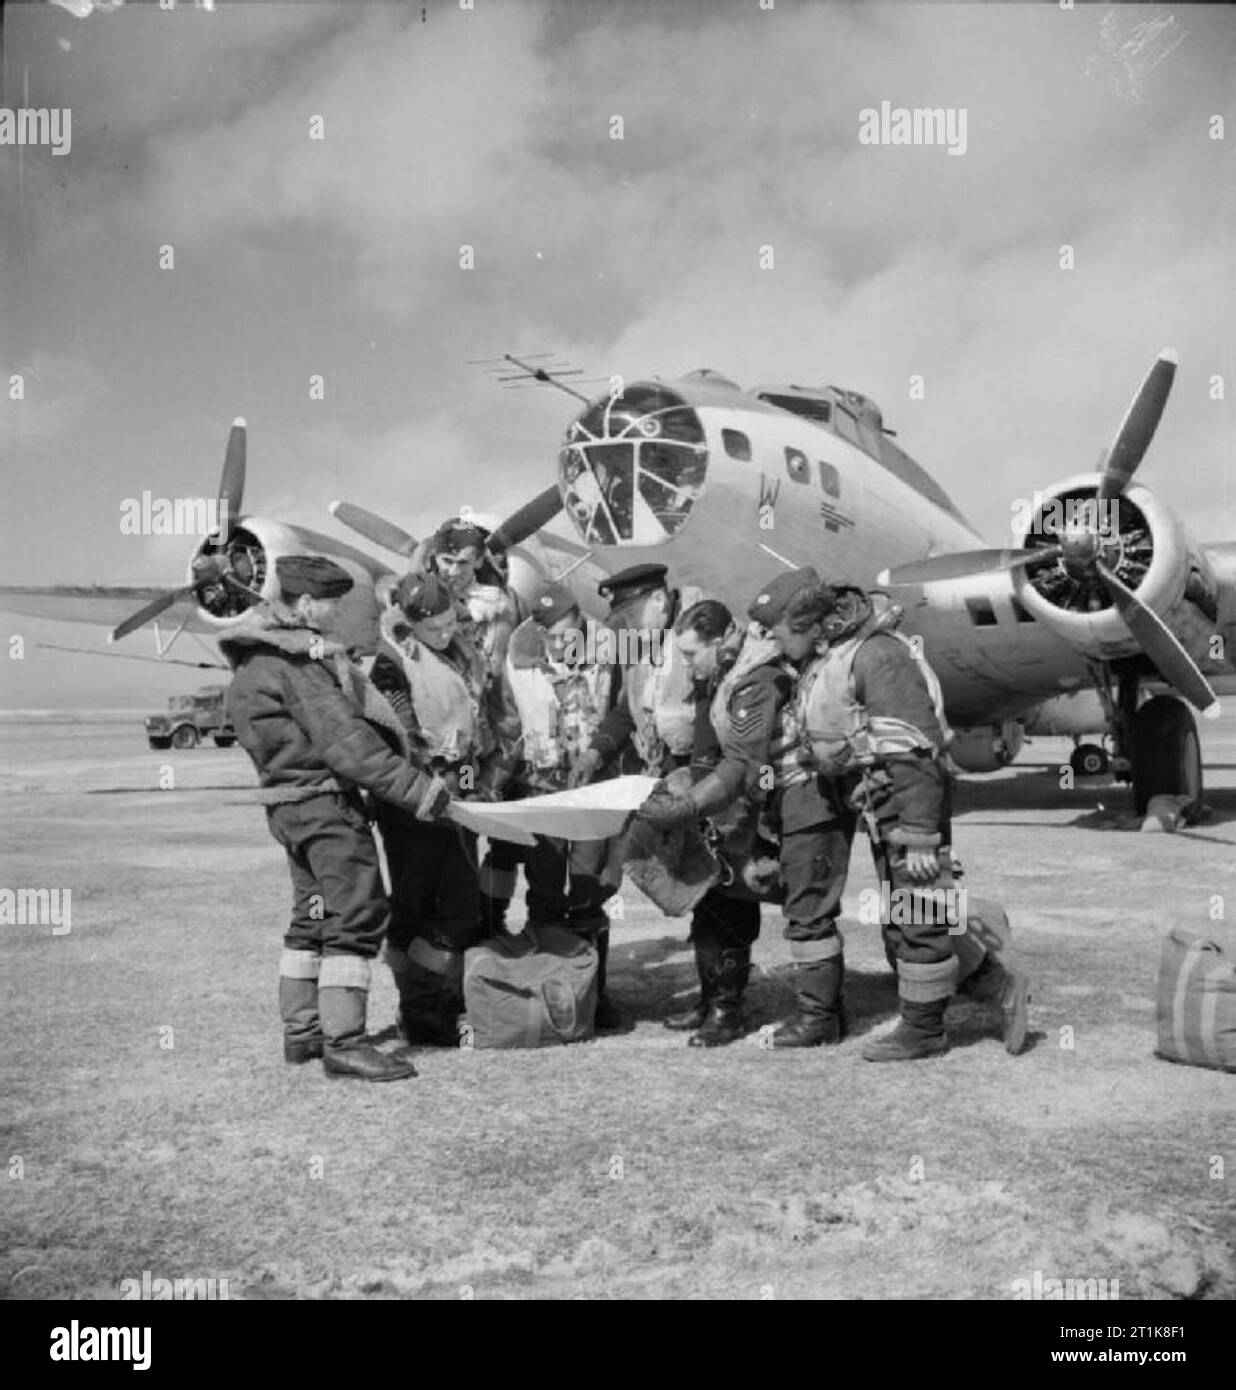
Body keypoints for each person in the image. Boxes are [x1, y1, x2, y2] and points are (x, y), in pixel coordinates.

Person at [222, 555, 453, 1083]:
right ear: (304, 605)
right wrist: (420, 792)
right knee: (356, 913)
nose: (336, 612)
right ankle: (345, 1042)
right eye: (330, 603)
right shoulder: (298, 667)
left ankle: (302, 1033)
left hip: (287, 806)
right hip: (326, 808)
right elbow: (350, 746)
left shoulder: (252, 665)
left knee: (312, 915)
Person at [792, 580, 1031, 1060]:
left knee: (918, 917)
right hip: (888, 806)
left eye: (790, 631)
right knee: (911, 915)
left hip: (910, 809)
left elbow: (914, 751)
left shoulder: (879, 657)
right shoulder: (847, 654)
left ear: (824, 624)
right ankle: (994, 986)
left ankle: (925, 1031)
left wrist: (922, 838)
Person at [369, 572, 516, 1046]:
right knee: (429, 906)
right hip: (414, 804)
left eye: (451, 622)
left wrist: (482, 779)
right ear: (411, 624)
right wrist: (433, 782)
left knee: (456, 903)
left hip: (457, 798)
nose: (446, 633)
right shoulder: (391, 664)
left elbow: (478, 719)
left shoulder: (461, 652)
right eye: (434, 628)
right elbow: (400, 735)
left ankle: (438, 996)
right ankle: (422, 1009)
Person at [634, 599, 777, 1046]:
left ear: (720, 641)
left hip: (743, 810)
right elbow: (704, 743)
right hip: (708, 805)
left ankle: (727, 1011)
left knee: (734, 907)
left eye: (694, 652)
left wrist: (695, 803)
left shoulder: (758, 678)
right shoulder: (716, 675)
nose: (688, 662)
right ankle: (707, 998)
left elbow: (744, 761)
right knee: (708, 906)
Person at [505, 582, 624, 1027]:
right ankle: (555, 987)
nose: (561, 644)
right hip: (543, 787)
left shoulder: (611, 649)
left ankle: (596, 991)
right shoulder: (518, 659)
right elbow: (505, 718)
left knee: (591, 889)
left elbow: (622, 710)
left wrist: (601, 754)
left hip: (594, 786)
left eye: (569, 634)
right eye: (552, 636)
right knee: (545, 889)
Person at [422, 516, 527, 938]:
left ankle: (491, 919)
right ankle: (455, 931)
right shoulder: (415, 600)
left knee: (503, 842)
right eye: (446, 561)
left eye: (463, 563)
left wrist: (505, 754)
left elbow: (500, 682)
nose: (453, 572)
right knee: (449, 846)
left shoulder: (498, 608)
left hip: (483, 744)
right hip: (437, 746)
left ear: (479, 561)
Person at [573, 563, 701, 781]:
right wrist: (595, 752)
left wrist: (696, 771)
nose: (628, 626)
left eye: (632, 615)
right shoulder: (639, 644)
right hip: (658, 771)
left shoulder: (702, 634)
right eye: (623, 619)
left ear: (659, 600)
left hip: (697, 773)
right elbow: (629, 710)